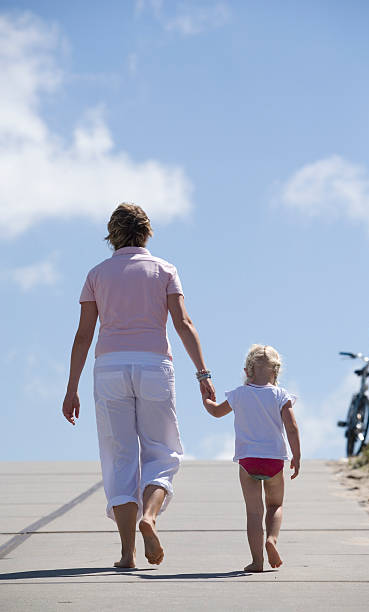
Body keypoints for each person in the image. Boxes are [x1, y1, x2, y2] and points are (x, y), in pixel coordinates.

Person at [62, 203, 215, 569]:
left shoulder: (97, 274)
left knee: (120, 458)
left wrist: (71, 388)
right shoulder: (164, 269)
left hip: (110, 368)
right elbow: (183, 323)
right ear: (146, 232)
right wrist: (203, 374)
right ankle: (151, 516)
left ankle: (126, 554)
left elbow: (84, 336)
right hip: (154, 366)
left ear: (111, 234)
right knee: (162, 451)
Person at [202, 344, 300, 572]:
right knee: (275, 504)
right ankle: (272, 540)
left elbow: (216, 412)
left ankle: (257, 561)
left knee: (254, 512)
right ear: (276, 372)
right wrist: (297, 455)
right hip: (274, 460)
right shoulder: (281, 395)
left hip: (248, 461)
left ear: (247, 371)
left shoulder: (238, 394)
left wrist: (206, 400)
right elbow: (292, 428)